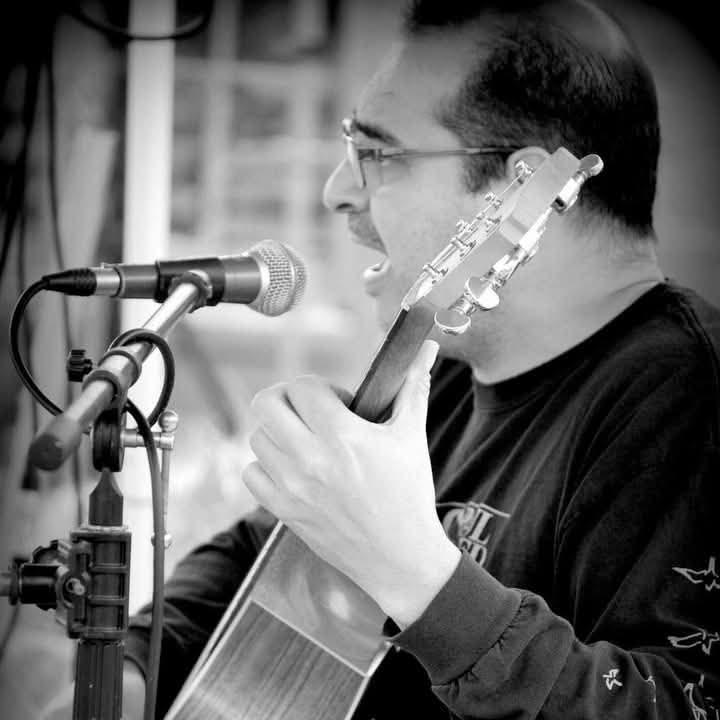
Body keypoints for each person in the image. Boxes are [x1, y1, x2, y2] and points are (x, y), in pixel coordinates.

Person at [43, 0, 720, 718]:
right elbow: (258, 557)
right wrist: (136, 669)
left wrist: (420, 576)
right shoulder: (441, 373)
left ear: (520, 187)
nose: (337, 192)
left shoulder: (688, 397)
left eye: (378, 155)